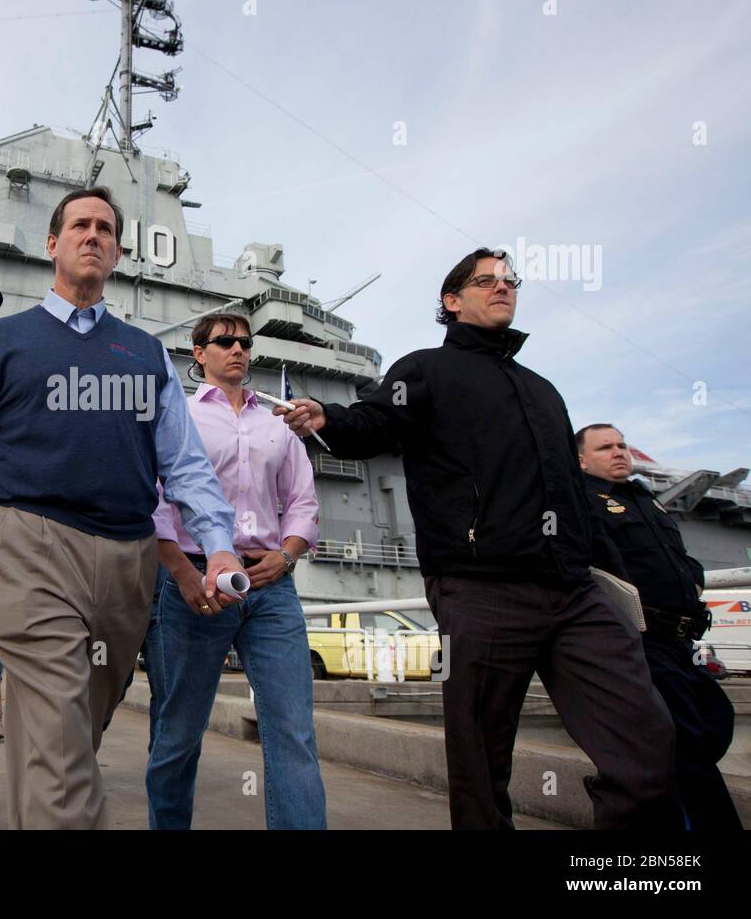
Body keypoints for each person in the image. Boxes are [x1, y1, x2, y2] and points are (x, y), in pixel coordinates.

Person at [276, 248, 682, 829]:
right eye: (486, 280)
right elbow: (378, 422)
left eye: (510, 281)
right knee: (481, 765)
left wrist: (614, 580)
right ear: (451, 300)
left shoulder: (543, 391)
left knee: (647, 744)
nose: (502, 288)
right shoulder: (425, 370)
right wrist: (327, 418)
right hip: (481, 588)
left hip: (574, 593)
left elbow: (572, 494)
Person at [0, 186, 245, 828]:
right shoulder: (0, 344)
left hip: (127, 563)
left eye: (105, 228)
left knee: (69, 740)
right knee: (62, 753)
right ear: (52, 244)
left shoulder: (146, 354)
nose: (92, 234)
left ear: (118, 251)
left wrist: (220, 541)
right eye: (79, 225)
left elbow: (183, 464)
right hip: (29, 546)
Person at [145, 313, 326, 829]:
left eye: (245, 342)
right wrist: (180, 573)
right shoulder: (177, 415)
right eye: (225, 341)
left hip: (272, 586)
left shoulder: (279, 421)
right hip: (195, 579)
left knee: (293, 730)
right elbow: (156, 503)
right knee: (179, 731)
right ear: (198, 353)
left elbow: (302, 502)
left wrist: (287, 556)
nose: (238, 350)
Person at [578, 423, 743, 829]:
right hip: (638, 638)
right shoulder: (581, 501)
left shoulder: (645, 501)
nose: (619, 452)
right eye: (605, 448)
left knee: (715, 720)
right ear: (580, 459)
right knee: (682, 742)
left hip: (681, 640)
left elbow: (675, 555)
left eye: (622, 445)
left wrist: (690, 575)